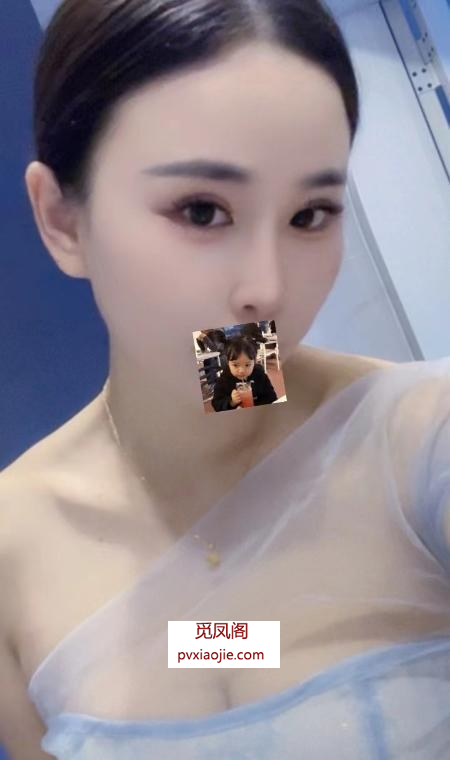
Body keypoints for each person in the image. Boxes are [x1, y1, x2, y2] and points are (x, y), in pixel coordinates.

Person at [0, 0, 449, 758]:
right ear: (63, 221)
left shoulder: (421, 439)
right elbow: (231, 636)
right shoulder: (12, 550)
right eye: (202, 211)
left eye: (310, 215)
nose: (265, 291)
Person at [212, 336, 278, 411]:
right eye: (235, 365)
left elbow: (272, 397)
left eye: (247, 365)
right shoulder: (224, 380)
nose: (241, 371)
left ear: (254, 362)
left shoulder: (260, 375)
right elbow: (216, 404)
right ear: (228, 362)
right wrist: (231, 402)